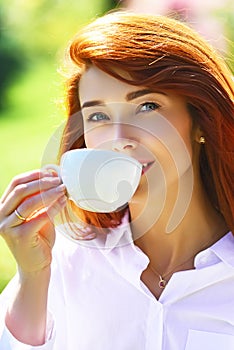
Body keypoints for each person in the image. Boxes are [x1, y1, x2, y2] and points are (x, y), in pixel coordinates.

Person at [0, 10, 233, 350]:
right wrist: (33, 277)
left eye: (147, 106)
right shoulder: (63, 262)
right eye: (98, 116)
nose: (120, 137)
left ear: (200, 120)